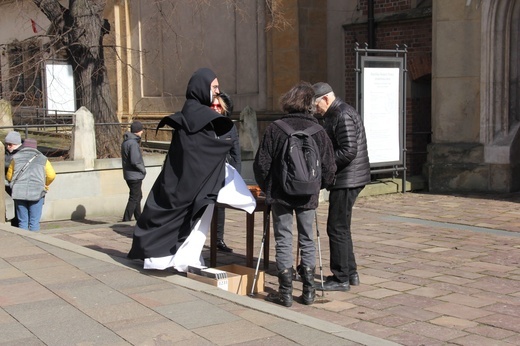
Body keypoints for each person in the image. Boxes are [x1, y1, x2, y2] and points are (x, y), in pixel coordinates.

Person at [128, 67, 235, 272]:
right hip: (188, 182)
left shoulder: (191, 113)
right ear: (201, 87)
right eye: (214, 86)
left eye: (218, 87)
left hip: (184, 180)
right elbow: (193, 150)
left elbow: (196, 149)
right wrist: (224, 145)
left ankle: (180, 258)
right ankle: (172, 259)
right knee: (189, 223)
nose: (217, 91)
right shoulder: (197, 115)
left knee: (191, 225)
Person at [253, 82, 336, 307]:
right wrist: (317, 185)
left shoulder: (275, 128)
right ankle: (308, 292)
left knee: (283, 239)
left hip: (280, 193)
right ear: (310, 104)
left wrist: (269, 185)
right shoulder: (319, 131)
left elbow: (261, 164)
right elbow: (329, 168)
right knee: (308, 239)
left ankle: (285, 293)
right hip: (308, 195)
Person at [312, 82, 370, 291]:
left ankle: (340, 278)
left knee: (336, 228)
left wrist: (326, 164)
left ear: (326, 99)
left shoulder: (342, 114)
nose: (315, 110)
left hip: (348, 178)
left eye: (316, 105)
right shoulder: (336, 113)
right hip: (348, 178)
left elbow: (348, 150)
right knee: (342, 228)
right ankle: (350, 272)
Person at [210, 93, 241, 253]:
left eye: (218, 106)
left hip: (223, 173)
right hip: (205, 173)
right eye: (213, 105)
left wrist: (236, 178)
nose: (215, 108)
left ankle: (218, 239)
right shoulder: (203, 124)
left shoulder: (230, 127)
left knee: (219, 207)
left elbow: (236, 153)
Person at [5, 138, 56, 231]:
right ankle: (35, 240)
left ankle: (24, 241)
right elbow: (51, 175)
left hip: (19, 192)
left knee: (22, 221)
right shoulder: (43, 158)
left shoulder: (15, 158)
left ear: (24, 146)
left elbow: (9, 176)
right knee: (34, 222)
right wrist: (45, 184)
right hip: (37, 192)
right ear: (35, 147)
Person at [121, 121, 146, 222]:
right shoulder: (133, 143)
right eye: (141, 130)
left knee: (138, 196)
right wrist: (143, 170)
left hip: (129, 175)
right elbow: (135, 161)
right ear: (138, 131)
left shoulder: (126, 142)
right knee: (134, 197)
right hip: (135, 175)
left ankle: (138, 217)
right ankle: (126, 219)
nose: (142, 132)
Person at [4, 131, 23, 226]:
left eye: (10, 145)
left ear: (16, 144)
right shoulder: (7, 152)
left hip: (16, 185)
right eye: (6, 144)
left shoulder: (21, 152)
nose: (7, 147)